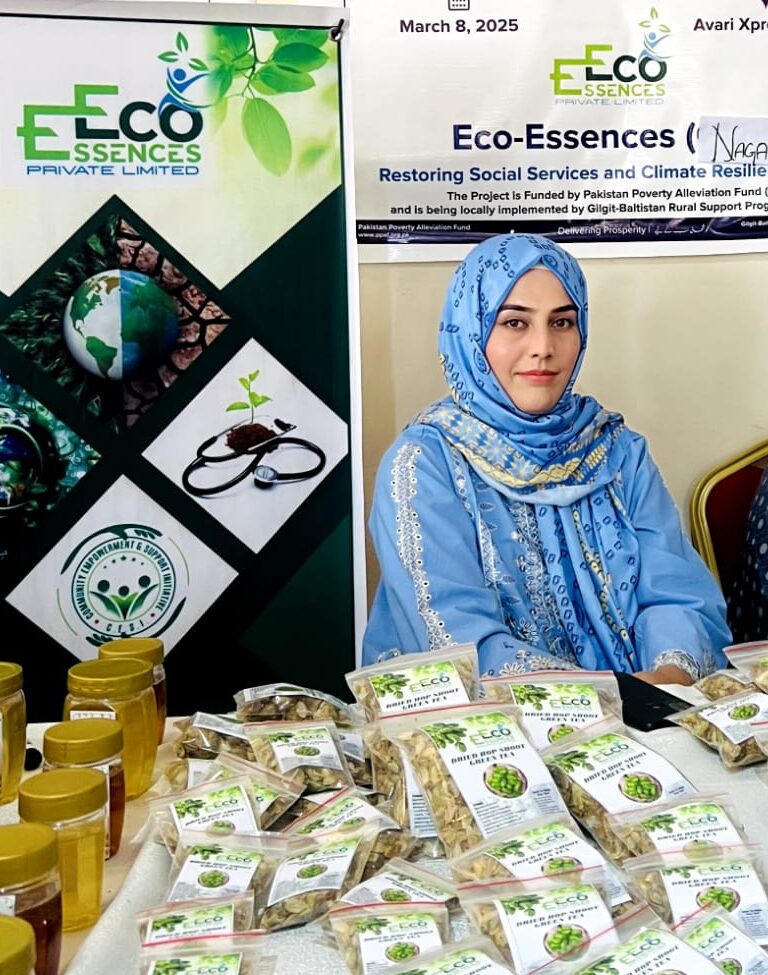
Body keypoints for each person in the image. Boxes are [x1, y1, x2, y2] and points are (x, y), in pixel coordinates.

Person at [363, 234, 730, 684]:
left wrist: (669, 675)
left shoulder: (617, 450)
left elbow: (677, 593)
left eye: (562, 322)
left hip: (643, 705)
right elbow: (456, 640)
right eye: (515, 322)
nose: (543, 346)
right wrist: (608, 695)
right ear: (471, 330)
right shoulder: (424, 463)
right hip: (489, 717)